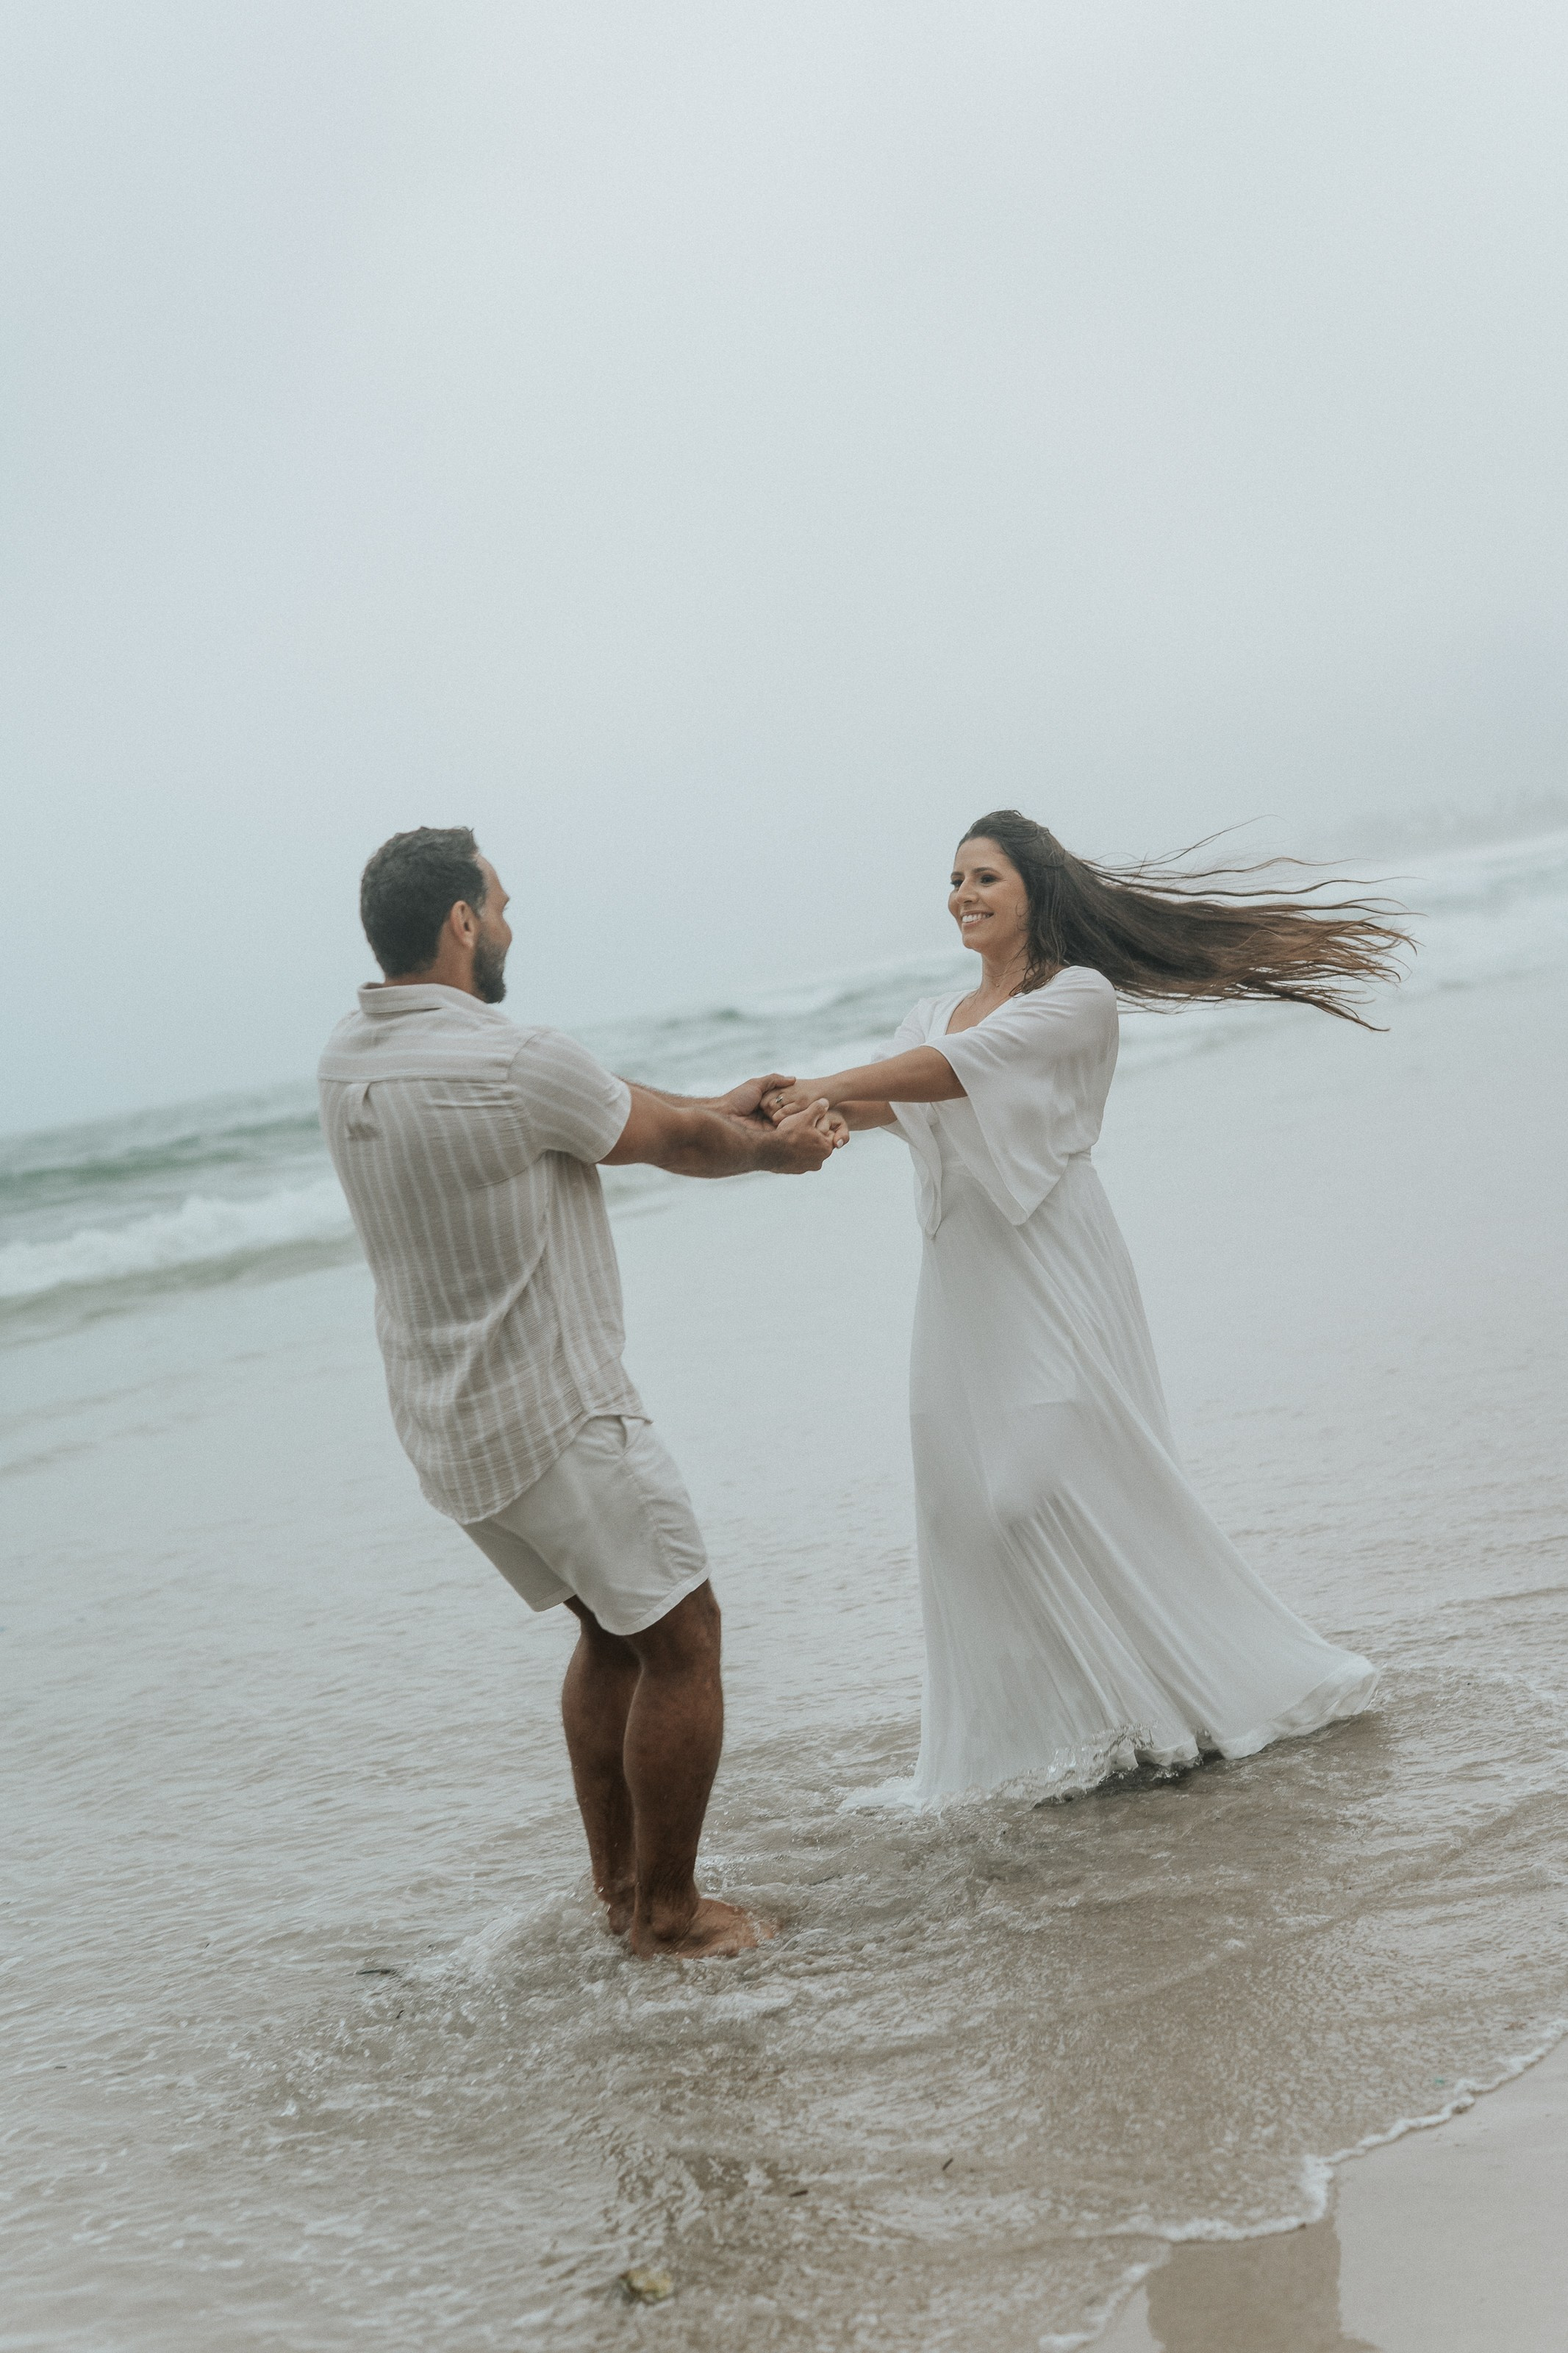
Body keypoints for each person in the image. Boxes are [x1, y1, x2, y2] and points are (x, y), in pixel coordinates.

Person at [760, 810, 1411, 1805]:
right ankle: (1071, 1734)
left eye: (984, 878)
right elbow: (896, 1097)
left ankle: (1212, 1690)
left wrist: (824, 1081)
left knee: (1037, 1485)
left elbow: (956, 1073)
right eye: (954, 880)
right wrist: (798, 1114)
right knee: (962, 1509)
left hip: (1052, 1256)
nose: (963, 895)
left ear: (1034, 890)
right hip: (960, 1273)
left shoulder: (1074, 996)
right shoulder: (930, 1012)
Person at [318, 826, 843, 1954]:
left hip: (449, 1428)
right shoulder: (510, 1058)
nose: (509, 926)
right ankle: (670, 1916)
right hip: (559, 1416)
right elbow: (672, 1141)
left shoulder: (349, 1059)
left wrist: (715, 1102)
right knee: (684, 1639)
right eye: (501, 906)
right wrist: (773, 1150)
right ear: (462, 921)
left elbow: (593, 1102)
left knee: (611, 1634)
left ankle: (619, 1893)